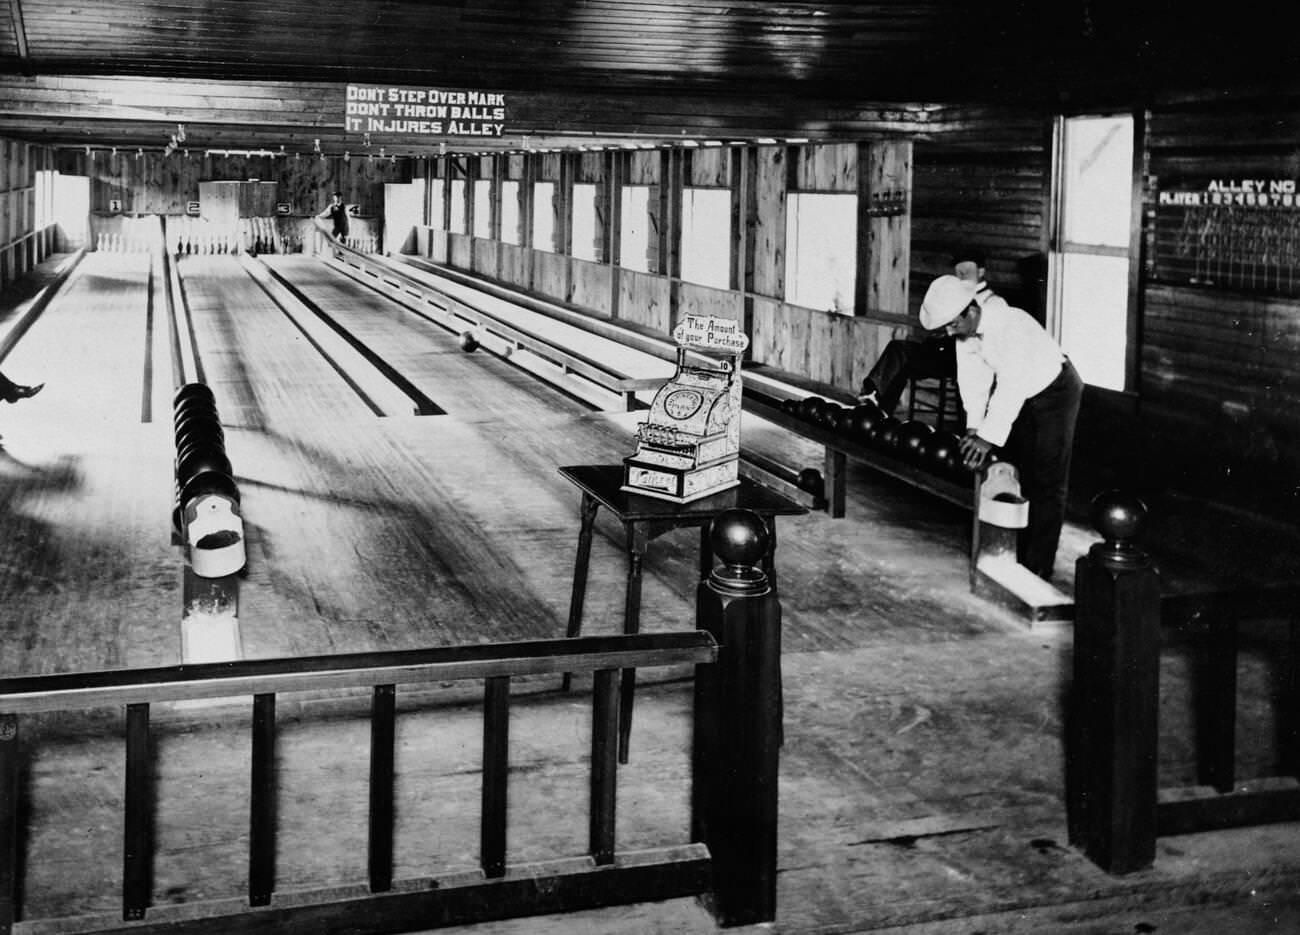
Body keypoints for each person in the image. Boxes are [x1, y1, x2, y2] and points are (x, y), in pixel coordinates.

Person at [918, 274, 1083, 581]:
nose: (950, 331)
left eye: (953, 324)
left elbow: (1011, 385)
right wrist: (973, 427)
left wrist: (986, 437)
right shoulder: (965, 332)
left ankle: (1038, 569)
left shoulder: (1009, 324)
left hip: (1056, 391)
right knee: (1014, 471)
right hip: (1023, 396)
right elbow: (973, 380)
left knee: (1047, 481)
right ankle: (1010, 555)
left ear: (970, 310)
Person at [857, 248, 1003, 413]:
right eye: (958, 273)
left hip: (965, 360)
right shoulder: (954, 295)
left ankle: (879, 409)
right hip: (943, 352)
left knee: (905, 364)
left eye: (966, 272)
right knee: (899, 351)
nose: (961, 277)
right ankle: (874, 400)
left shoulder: (993, 302)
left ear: (981, 271)